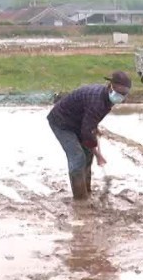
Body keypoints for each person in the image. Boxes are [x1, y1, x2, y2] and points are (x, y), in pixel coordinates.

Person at [46, 70, 130, 201]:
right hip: (61, 123)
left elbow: (89, 117)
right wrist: (98, 154)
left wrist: (94, 127)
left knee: (87, 155)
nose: (120, 96)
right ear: (110, 86)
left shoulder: (107, 99)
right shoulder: (97, 101)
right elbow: (86, 134)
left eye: (124, 94)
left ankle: (86, 190)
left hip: (77, 122)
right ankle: (80, 199)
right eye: (119, 92)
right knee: (78, 157)